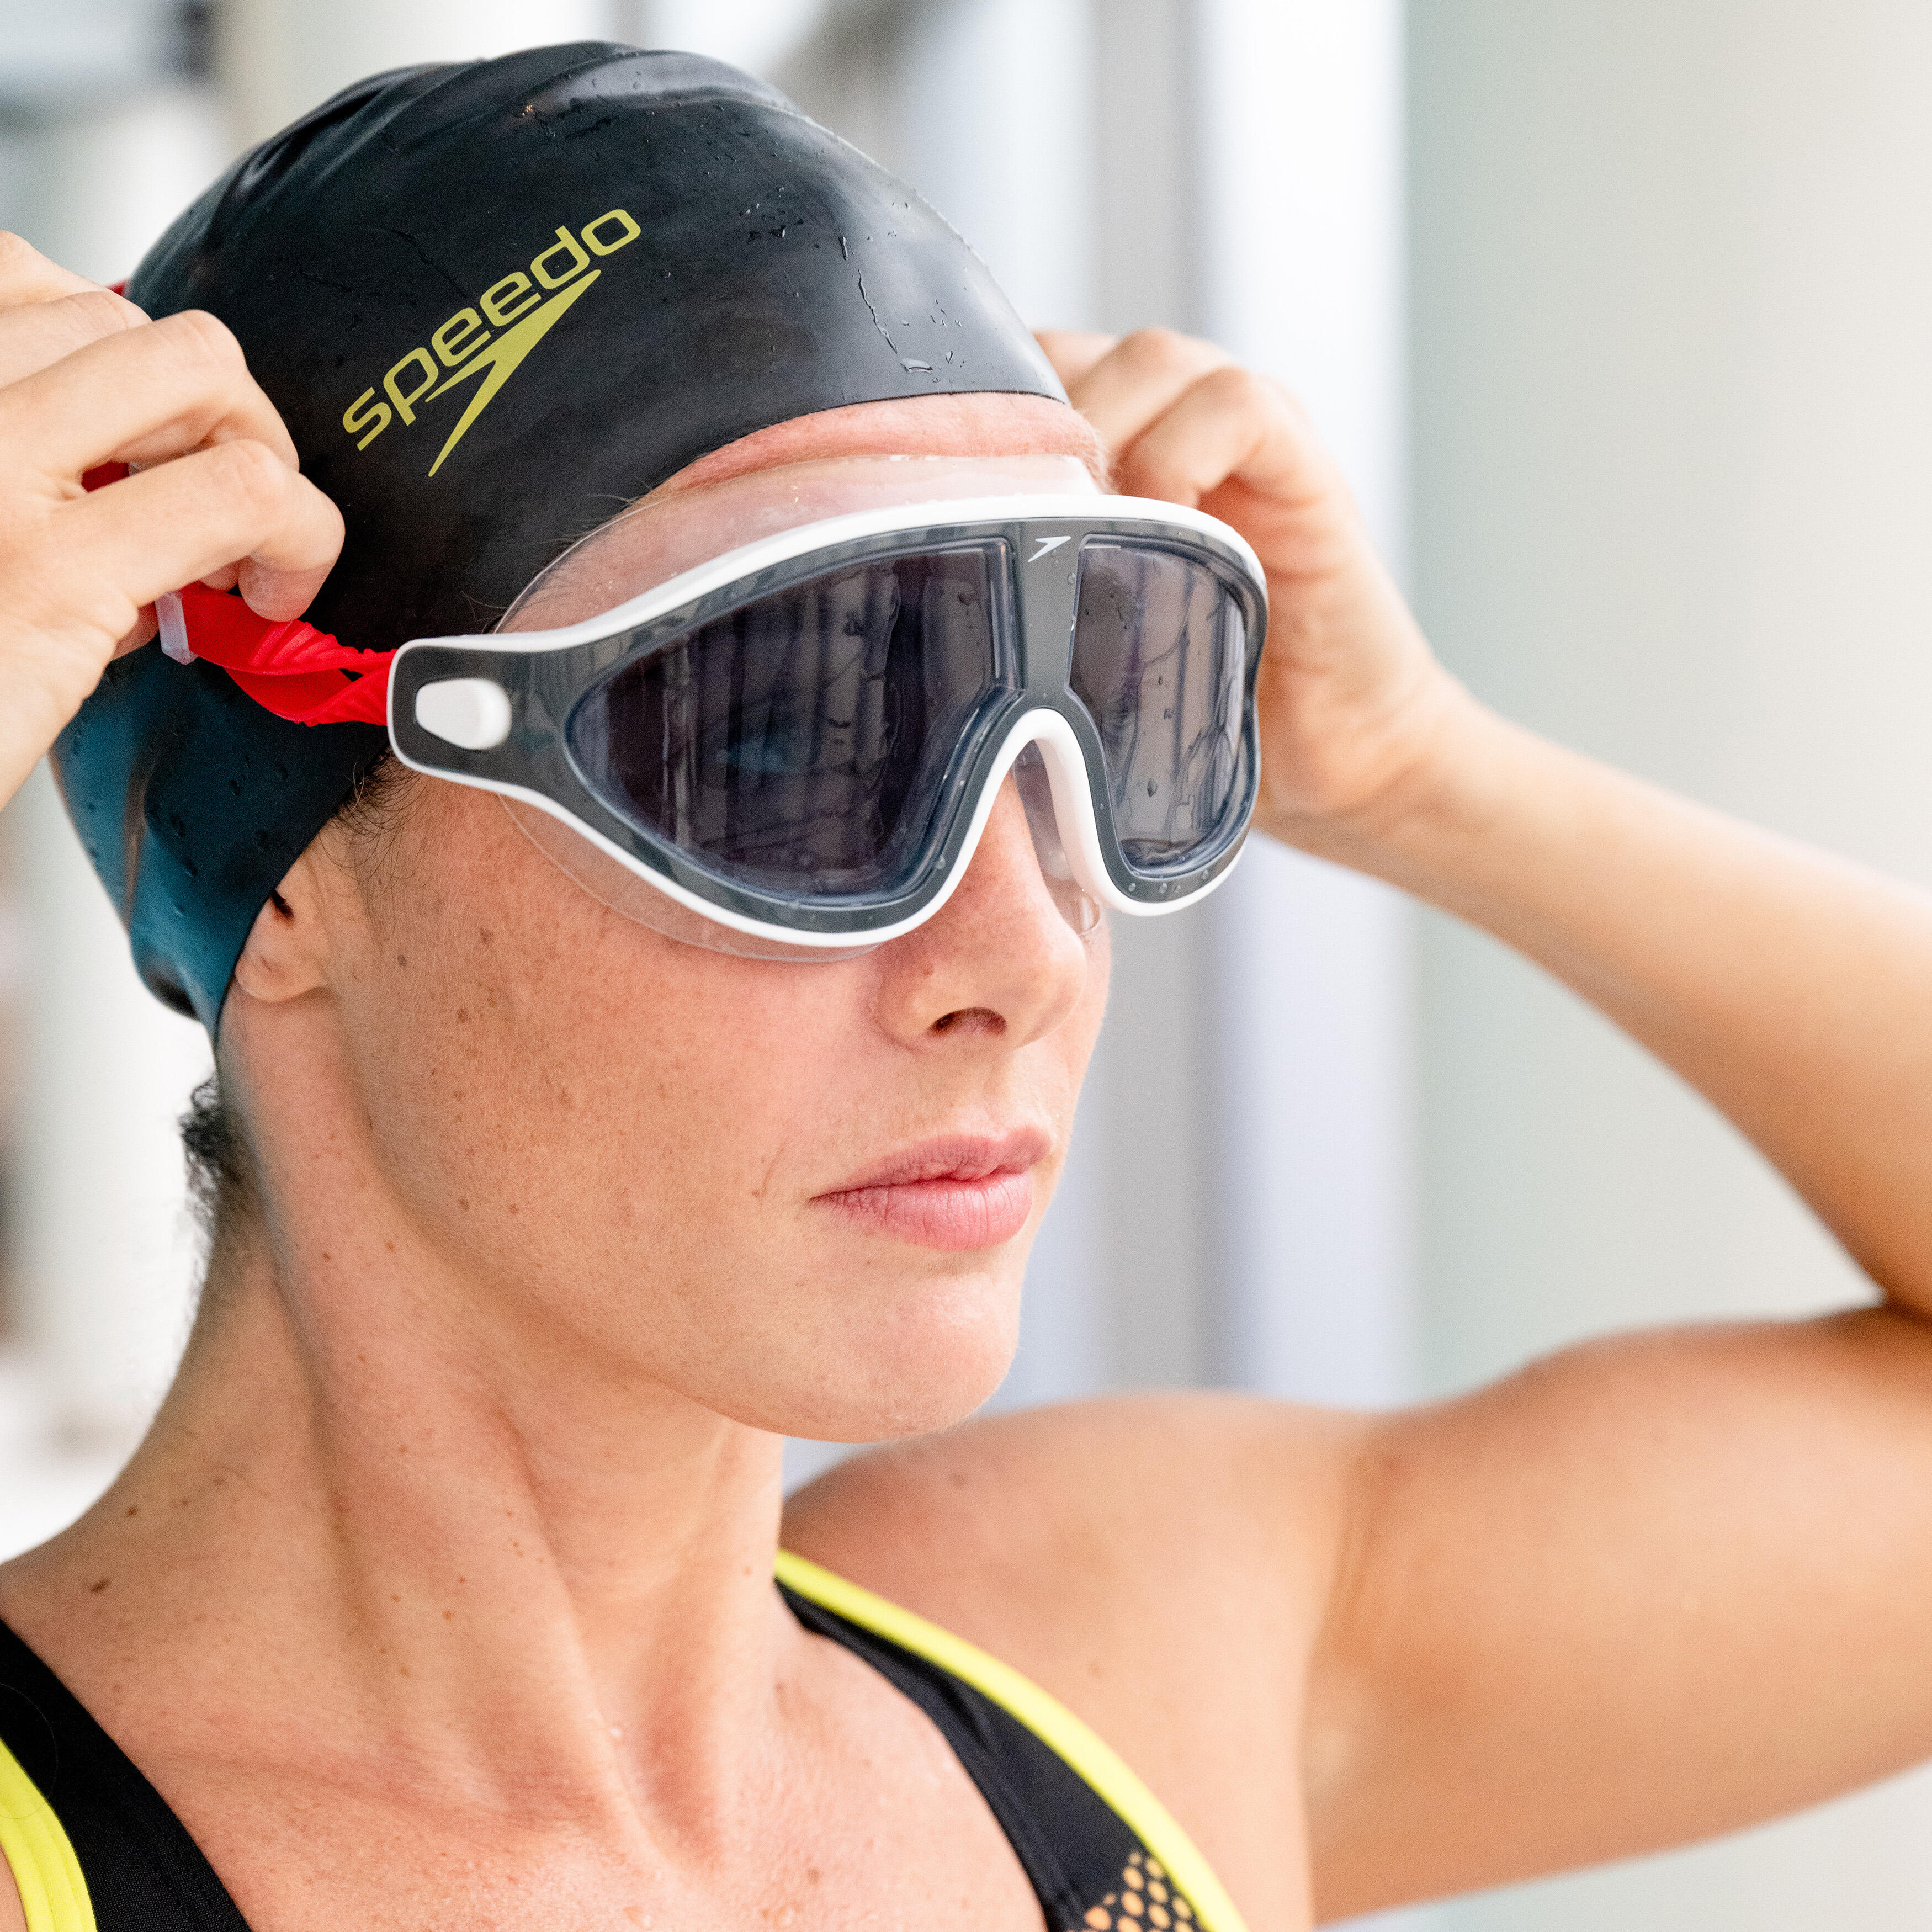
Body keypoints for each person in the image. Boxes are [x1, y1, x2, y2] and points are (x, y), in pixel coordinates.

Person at [3, 39, 1932, 1932]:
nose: (1022, 952)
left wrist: (1422, 773)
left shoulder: (1125, 1671)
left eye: (1089, 723)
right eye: (772, 748)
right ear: (289, 879)